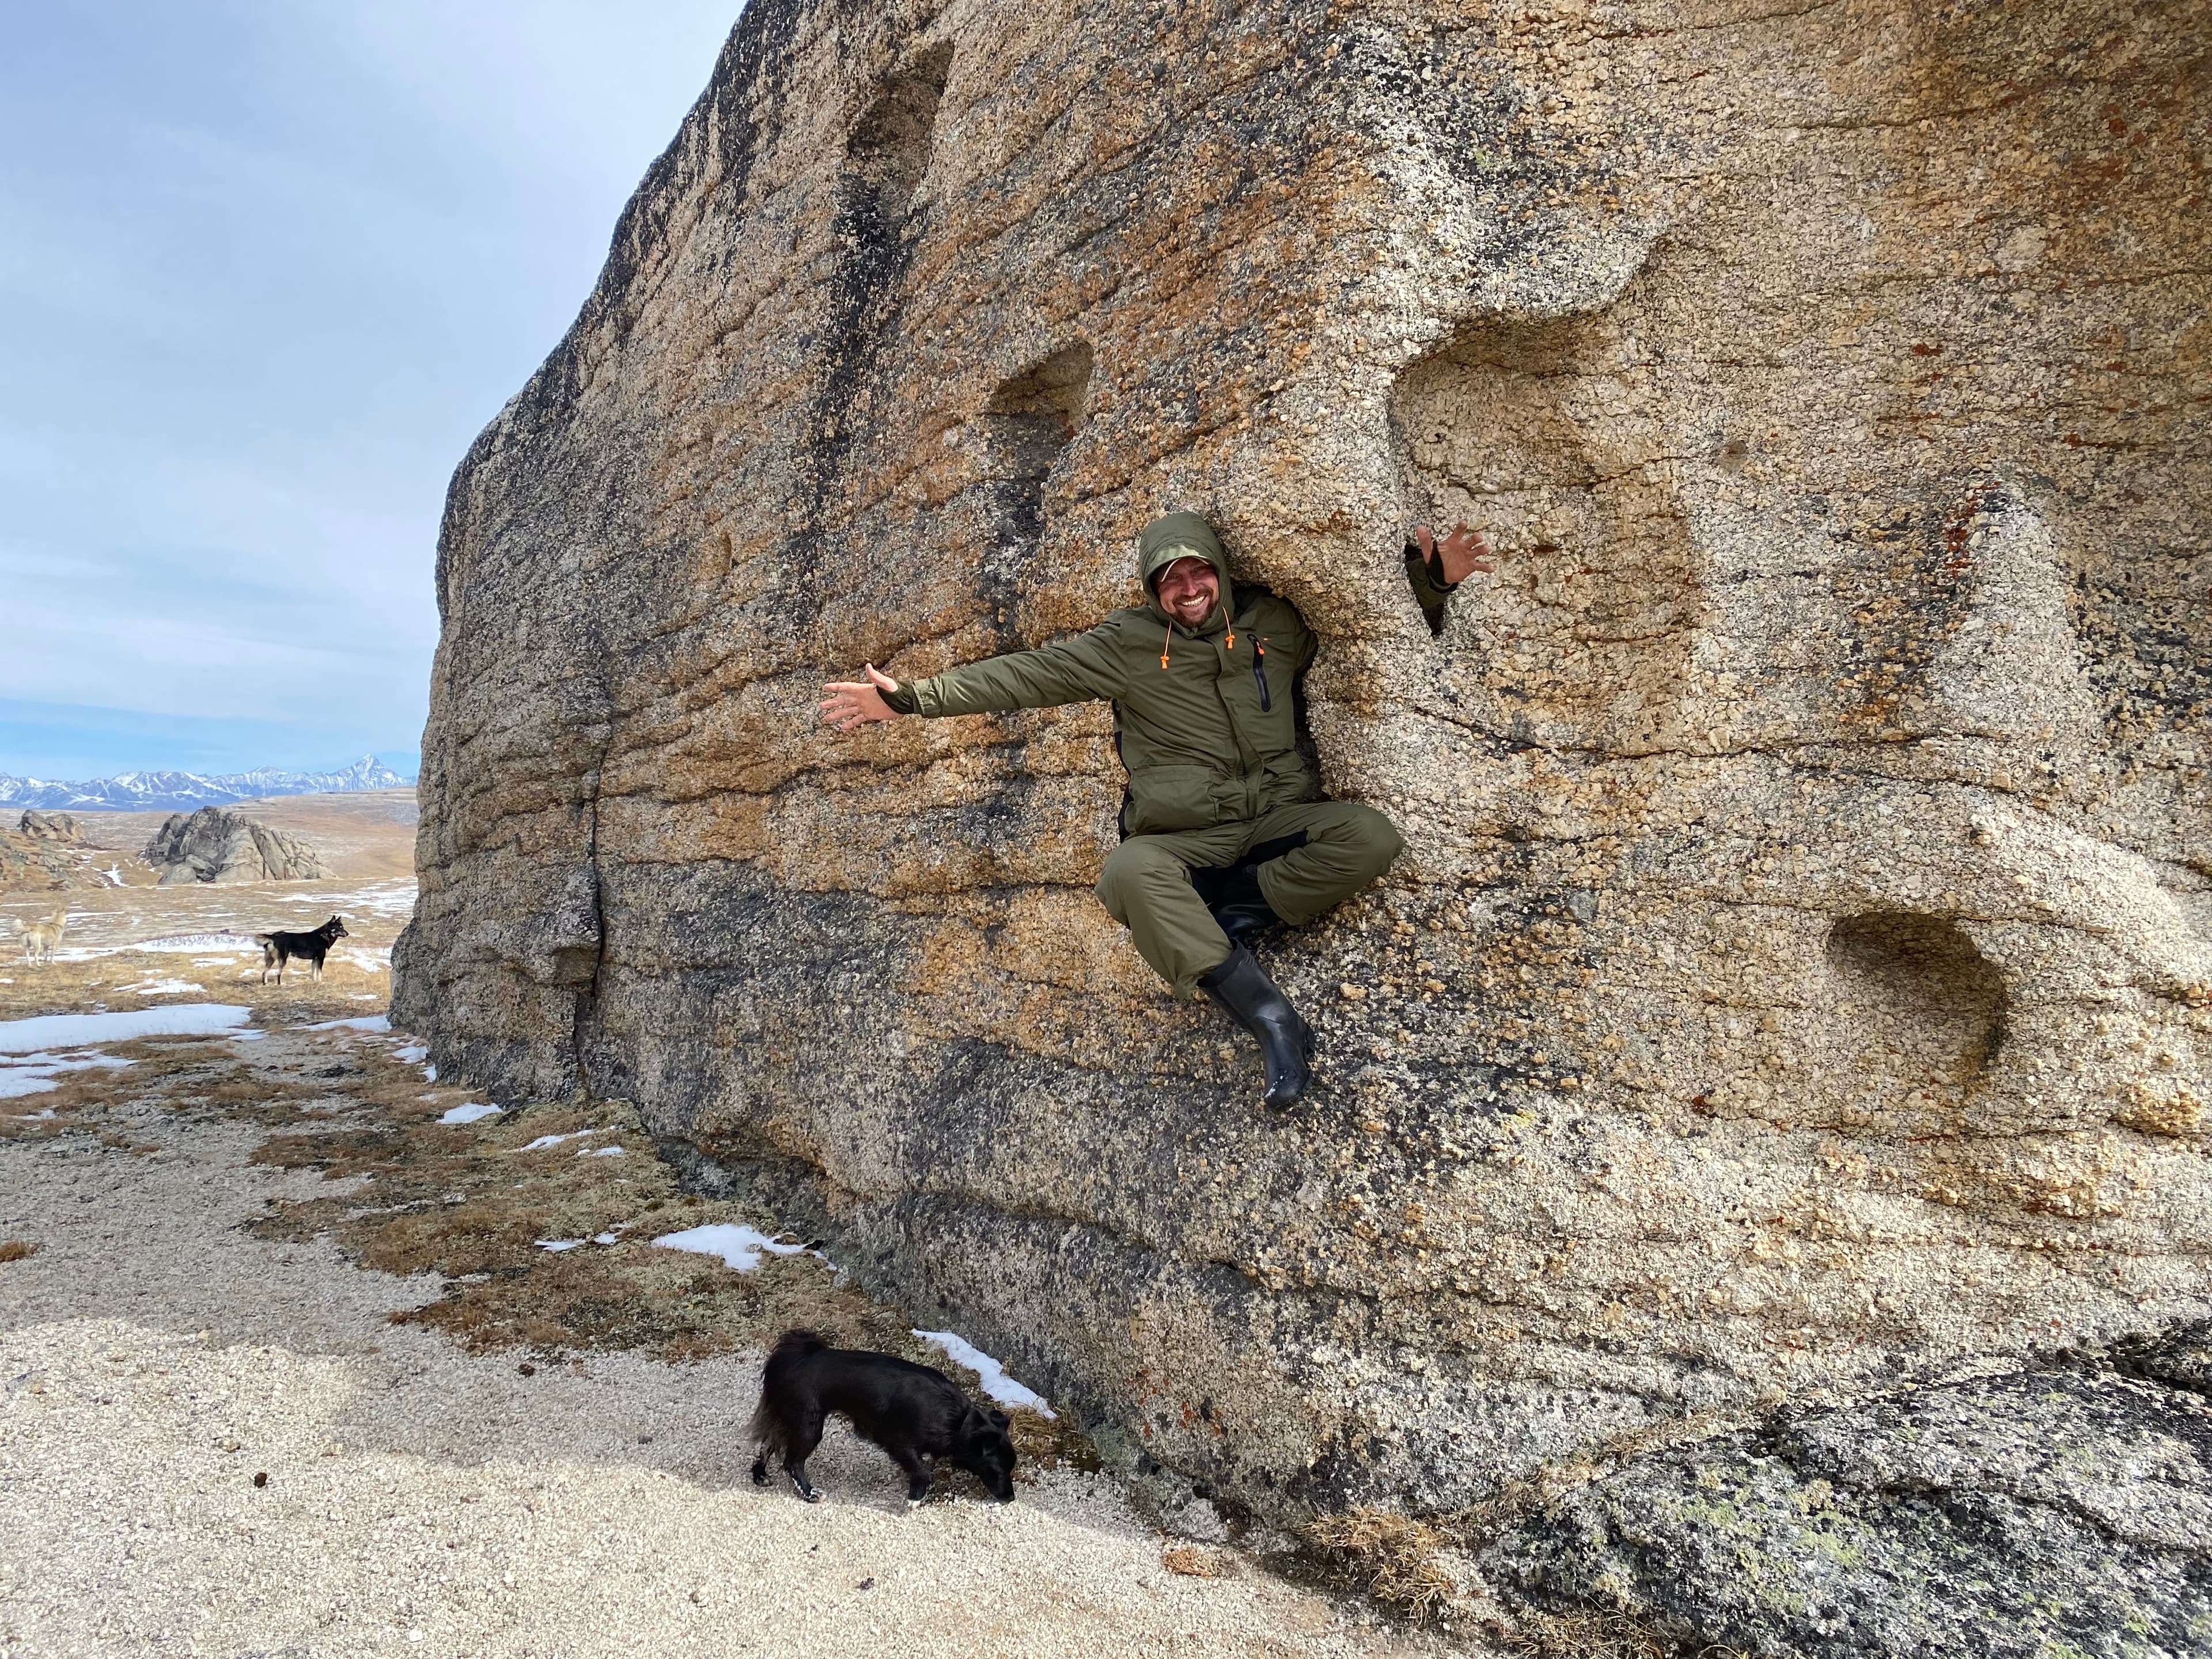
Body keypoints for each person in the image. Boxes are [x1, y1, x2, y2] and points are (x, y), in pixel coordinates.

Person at [821, 511, 1493, 1108]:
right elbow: (1022, 676)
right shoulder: (1127, 646)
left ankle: (1233, 915)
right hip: (1185, 840)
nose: (1189, 588)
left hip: (1274, 825)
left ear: (1221, 574)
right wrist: (910, 699)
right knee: (1127, 873)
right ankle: (1272, 1019)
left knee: (1370, 836)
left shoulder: (1276, 625)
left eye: (1200, 572)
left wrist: (1431, 583)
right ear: (1152, 588)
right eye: (1170, 579)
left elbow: (1370, 631)